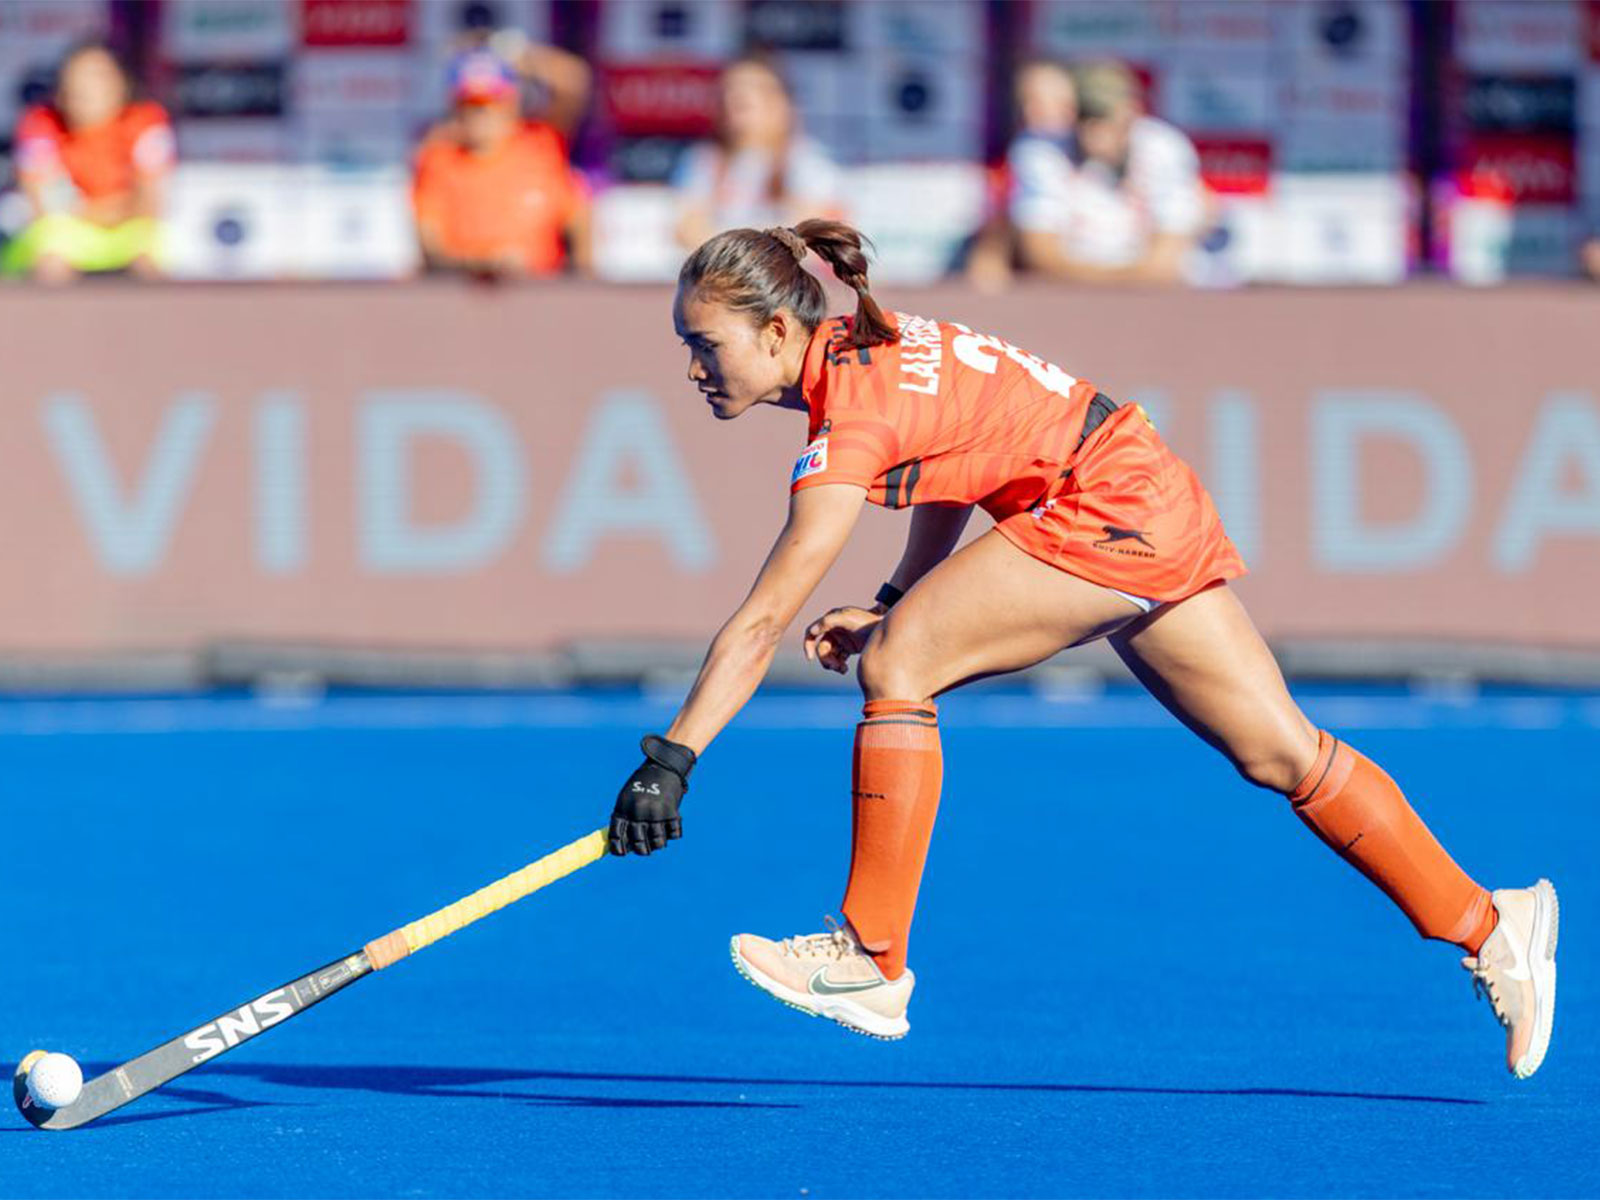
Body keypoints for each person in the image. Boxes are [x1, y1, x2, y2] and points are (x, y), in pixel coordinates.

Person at [604, 218, 1559, 1077]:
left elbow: (768, 617)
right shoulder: (868, 352)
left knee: (900, 667)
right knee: (1280, 751)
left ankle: (871, 958)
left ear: (776, 333)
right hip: (1139, 489)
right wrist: (897, 595)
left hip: (1103, 508)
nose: (693, 368)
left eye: (704, 344)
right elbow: (949, 469)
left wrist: (674, 758)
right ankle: (1490, 923)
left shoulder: (852, 412)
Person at [1012, 61, 1208, 286]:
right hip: (1070, 296)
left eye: (1104, 117)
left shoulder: (1165, 146)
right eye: (1086, 117)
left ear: (1133, 111)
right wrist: (1120, 278)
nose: (1095, 131)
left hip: (1155, 299)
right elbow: (1040, 255)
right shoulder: (1041, 150)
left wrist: (1094, 276)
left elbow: (1166, 263)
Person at [2, 40, 173, 283]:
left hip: (127, 231)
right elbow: (45, 207)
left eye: (97, 77)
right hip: (68, 234)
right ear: (61, 91)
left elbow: (150, 203)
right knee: (51, 255)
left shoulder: (147, 121)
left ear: (120, 84)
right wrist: (109, 208)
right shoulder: (39, 123)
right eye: (76, 78)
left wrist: (95, 211)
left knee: (148, 257)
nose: (85, 88)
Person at [411, 47, 591, 278]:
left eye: (493, 103)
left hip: (544, 294)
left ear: (512, 104)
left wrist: (520, 56)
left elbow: (574, 82)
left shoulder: (541, 143)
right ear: (455, 109)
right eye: (471, 105)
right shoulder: (438, 160)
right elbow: (430, 249)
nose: (482, 114)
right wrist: (485, 265)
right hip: (464, 295)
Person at [673, 57, 843, 251]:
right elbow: (687, 228)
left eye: (752, 93)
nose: (735, 98)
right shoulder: (703, 161)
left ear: (781, 103)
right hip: (719, 276)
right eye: (729, 92)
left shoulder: (808, 163)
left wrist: (738, 256)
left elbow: (809, 233)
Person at [965, 58, 1081, 292]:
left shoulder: (1118, 156)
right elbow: (991, 252)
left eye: (1046, 102)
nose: (1031, 112)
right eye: (1026, 102)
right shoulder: (1014, 161)